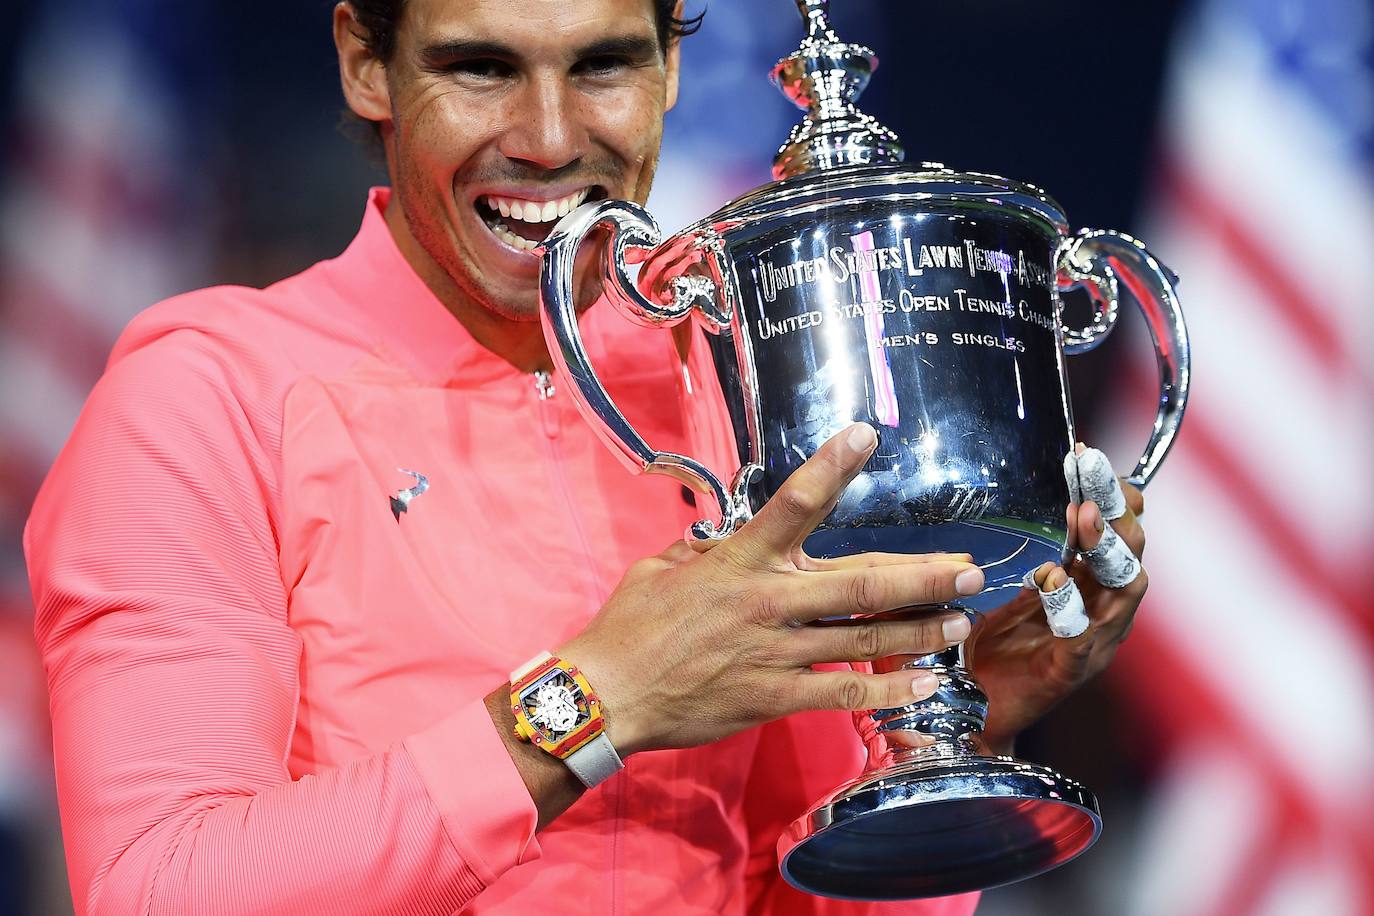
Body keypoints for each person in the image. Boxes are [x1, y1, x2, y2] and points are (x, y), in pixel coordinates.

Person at [24, 1, 1149, 913]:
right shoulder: (205, 394)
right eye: (480, 68)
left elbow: (797, 894)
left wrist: (957, 721)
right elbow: (158, 888)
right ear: (365, 62)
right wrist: (592, 701)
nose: (551, 138)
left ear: (670, 67)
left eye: (605, 64)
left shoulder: (730, 390)